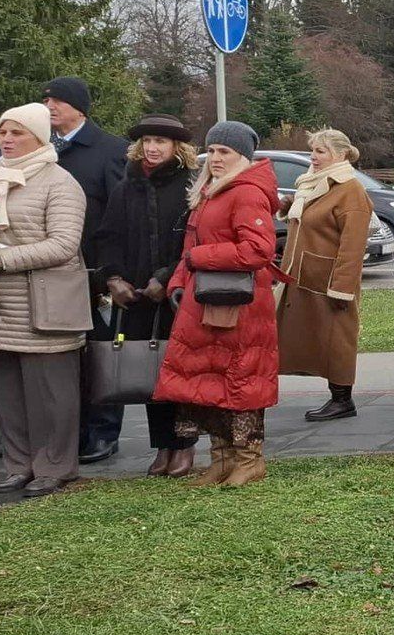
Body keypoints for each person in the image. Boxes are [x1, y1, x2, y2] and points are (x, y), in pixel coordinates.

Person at [0, 103, 92, 498]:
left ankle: (55, 467)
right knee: (5, 393)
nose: (6, 139)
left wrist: (2, 259)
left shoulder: (60, 182)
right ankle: (18, 465)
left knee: (51, 395)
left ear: (38, 137)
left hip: (44, 304)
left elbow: (63, 245)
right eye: (2, 131)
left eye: (17, 132)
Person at [154, 121, 280, 488]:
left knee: (240, 379)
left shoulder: (247, 193)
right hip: (205, 300)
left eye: (225, 151)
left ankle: (249, 460)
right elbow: (189, 248)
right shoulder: (212, 190)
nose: (217, 158)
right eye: (213, 151)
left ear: (243, 155)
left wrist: (200, 257)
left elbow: (258, 250)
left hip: (238, 304)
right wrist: (178, 281)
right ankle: (222, 459)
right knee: (212, 381)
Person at [98, 114, 197, 477]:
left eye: (161, 142)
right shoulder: (128, 185)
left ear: (177, 147)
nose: (153, 148)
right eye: (148, 142)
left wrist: (166, 277)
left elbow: (193, 241)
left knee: (180, 371)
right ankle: (163, 446)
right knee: (150, 372)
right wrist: (114, 277)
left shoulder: (190, 185)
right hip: (137, 293)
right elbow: (108, 235)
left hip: (177, 294)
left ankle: (184, 445)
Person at [44, 76, 129, 465]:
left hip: (96, 272)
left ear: (80, 107)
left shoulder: (110, 150)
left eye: (58, 100)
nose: (50, 106)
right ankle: (71, 432)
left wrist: (114, 270)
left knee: (101, 353)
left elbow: (120, 215)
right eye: (46, 100)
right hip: (53, 272)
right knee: (65, 357)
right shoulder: (44, 150)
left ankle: (103, 430)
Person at [277, 128, 372, 422]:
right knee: (310, 337)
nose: (314, 157)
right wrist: (286, 205)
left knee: (337, 339)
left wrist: (342, 288)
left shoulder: (351, 189)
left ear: (341, 155)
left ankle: (343, 400)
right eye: (313, 151)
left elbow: (353, 246)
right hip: (303, 276)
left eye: (321, 151)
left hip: (329, 281)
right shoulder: (312, 185)